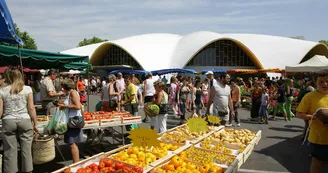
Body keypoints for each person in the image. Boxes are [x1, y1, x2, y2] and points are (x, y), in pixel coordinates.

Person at [0, 68, 38, 173]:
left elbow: (0, 110)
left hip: (8, 120)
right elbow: (31, 108)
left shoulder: (2, 90)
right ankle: (28, 171)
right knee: (26, 151)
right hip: (25, 120)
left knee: (9, 151)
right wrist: (35, 123)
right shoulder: (27, 89)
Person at [296, 70, 328, 173]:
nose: (325, 84)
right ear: (315, 82)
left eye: (327, 81)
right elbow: (299, 114)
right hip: (317, 139)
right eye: (321, 81)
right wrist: (313, 117)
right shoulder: (309, 96)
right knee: (317, 163)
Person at [57, 78, 82, 163]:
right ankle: (76, 163)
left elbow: (78, 106)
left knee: (72, 144)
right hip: (72, 119)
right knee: (73, 143)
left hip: (73, 120)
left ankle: (76, 164)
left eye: (63, 87)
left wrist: (65, 106)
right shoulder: (71, 93)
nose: (62, 89)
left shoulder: (73, 93)